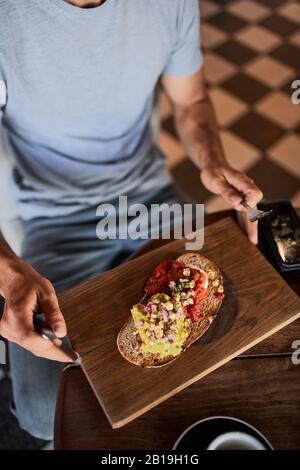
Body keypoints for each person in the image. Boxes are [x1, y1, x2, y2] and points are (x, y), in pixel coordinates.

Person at [0, 0, 263, 440]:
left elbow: (192, 100)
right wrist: (8, 273)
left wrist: (213, 162)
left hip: (154, 202)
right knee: (44, 410)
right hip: (58, 221)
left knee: (236, 367)